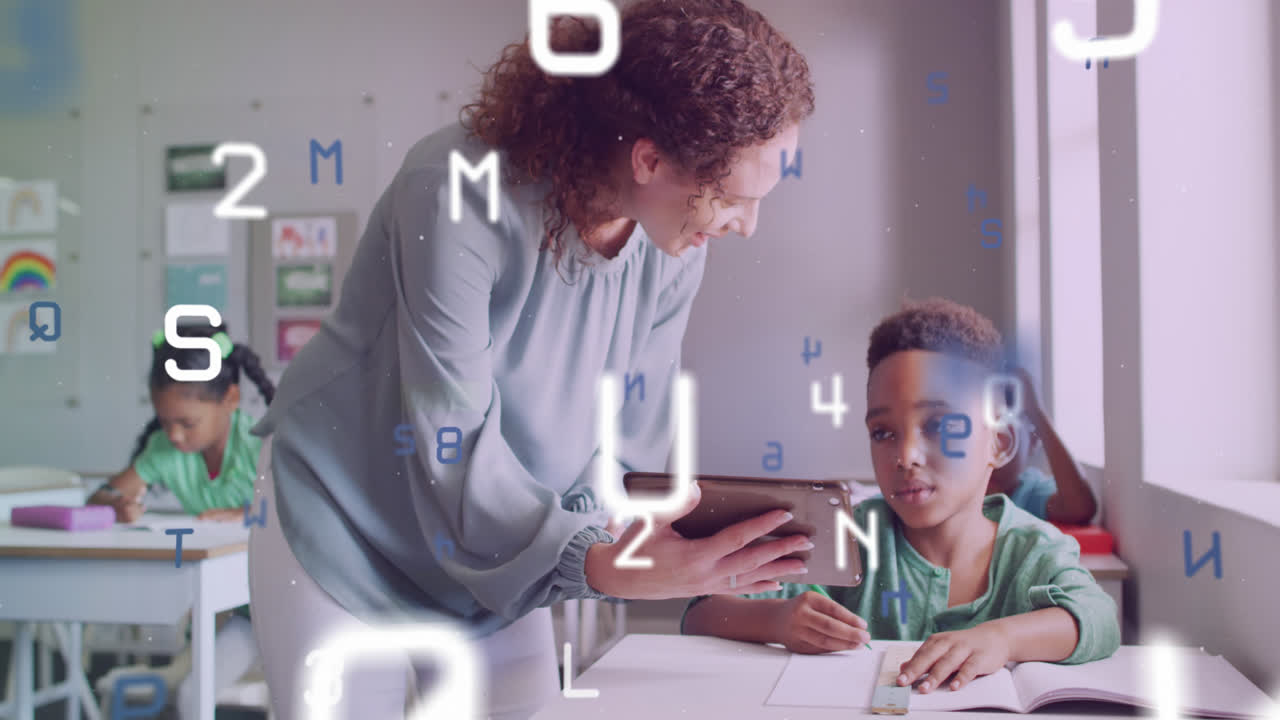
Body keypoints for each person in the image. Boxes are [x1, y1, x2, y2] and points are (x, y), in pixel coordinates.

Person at [246, 2, 817, 718]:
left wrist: (656, 539)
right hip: (347, 518)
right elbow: (449, 440)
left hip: (497, 544)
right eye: (734, 197)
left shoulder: (672, 247)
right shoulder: (453, 189)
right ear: (650, 159)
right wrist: (598, 562)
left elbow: (625, 443)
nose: (748, 225)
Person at [681, 298, 1119, 693]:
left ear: (999, 444)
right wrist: (776, 619)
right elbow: (701, 612)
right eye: (883, 432)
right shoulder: (848, 538)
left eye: (937, 426)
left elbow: (1099, 620)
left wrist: (1001, 639)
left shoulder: (1033, 550)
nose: (905, 456)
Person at [87, 322, 272, 717]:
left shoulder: (262, 443)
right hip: (237, 617)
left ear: (231, 399)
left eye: (186, 423)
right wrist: (117, 505)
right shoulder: (165, 450)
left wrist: (250, 513)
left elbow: (308, 511)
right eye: (164, 420)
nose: (173, 435)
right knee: (192, 697)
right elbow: (102, 496)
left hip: (283, 606)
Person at [986, 367, 1099, 524]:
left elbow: (1080, 508)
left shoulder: (1029, 492)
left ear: (1033, 442)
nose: (994, 450)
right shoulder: (958, 488)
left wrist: (1036, 413)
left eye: (1004, 437)